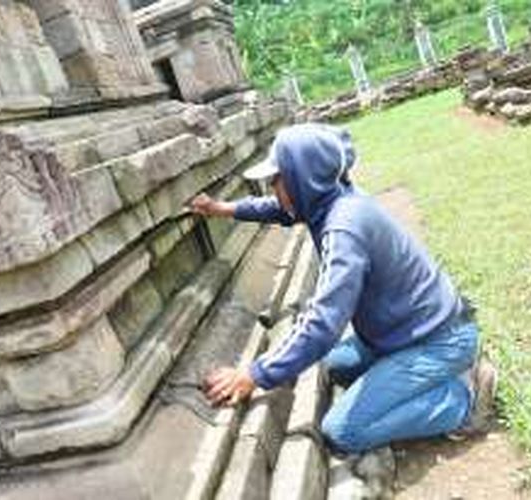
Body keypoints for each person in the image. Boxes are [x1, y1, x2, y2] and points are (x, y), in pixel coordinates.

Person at [190, 123, 498, 453]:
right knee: (333, 366)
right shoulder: (332, 197)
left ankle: (464, 399)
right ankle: (421, 379)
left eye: (277, 179)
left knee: (343, 430)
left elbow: (324, 323)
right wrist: (223, 209)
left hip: (438, 340)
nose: (273, 187)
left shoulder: (343, 228)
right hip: (401, 332)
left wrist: (254, 374)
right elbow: (279, 210)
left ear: (300, 180)